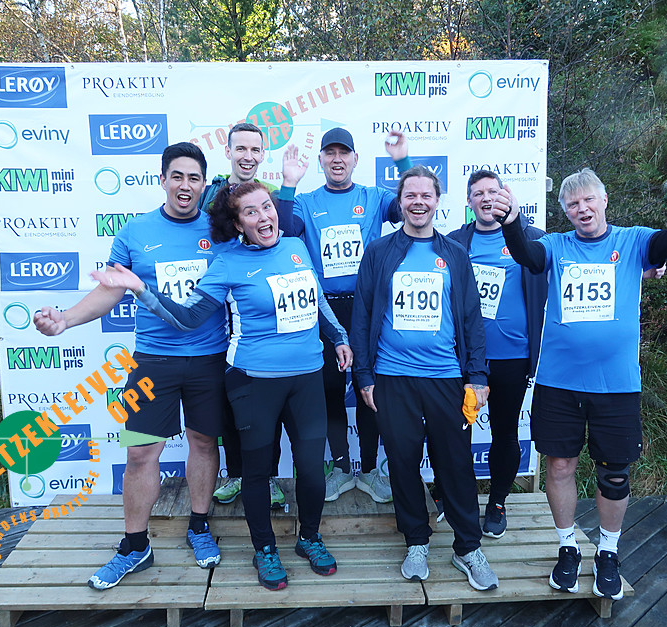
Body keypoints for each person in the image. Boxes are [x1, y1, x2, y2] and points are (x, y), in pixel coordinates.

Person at [93, 181, 351, 591]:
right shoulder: (227, 262)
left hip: (306, 379)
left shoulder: (296, 247)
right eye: (251, 212)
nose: (264, 216)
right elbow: (189, 318)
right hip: (254, 382)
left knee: (311, 469)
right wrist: (140, 288)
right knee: (257, 472)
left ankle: (309, 538)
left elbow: (317, 299)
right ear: (237, 224)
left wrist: (339, 337)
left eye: (267, 206)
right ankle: (264, 549)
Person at [494, 145, 667, 600]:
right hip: (558, 382)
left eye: (589, 199)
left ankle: (608, 552)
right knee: (560, 465)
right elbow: (527, 256)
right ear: (566, 212)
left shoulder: (632, 242)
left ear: (604, 200)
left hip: (616, 385)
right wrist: (512, 220)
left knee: (614, 473)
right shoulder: (556, 246)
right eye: (573, 204)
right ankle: (567, 546)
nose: (582, 209)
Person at [34, 142, 226, 589]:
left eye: (194, 178)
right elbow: (110, 289)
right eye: (177, 176)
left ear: (204, 184)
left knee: (203, 443)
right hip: (153, 361)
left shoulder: (219, 230)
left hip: (209, 359)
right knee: (140, 453)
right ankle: (135, 546)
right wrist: (66, 319)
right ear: (162, 180)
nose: (185, 185)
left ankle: (199, 526)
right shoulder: (135, 231)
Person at [350, 165, 499, 591]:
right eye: (410, 195)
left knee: (455, 464)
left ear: (437, 201)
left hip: (446, 377)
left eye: (426, 195)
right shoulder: (379, 252)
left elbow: (471, 319)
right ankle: (416, 540)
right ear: (400, 202)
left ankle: (468, 547)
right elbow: (362, 315)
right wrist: (364, 375)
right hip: (391, 376)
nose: (418, 202)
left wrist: (477, 375)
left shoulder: (455, 253)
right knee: (402, 462)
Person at [279, 127, 412, 504]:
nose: (337, 159)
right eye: (330, 153)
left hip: (368, 306)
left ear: (355, 159)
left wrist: (402, 161)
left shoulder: (374, 196)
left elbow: (411, 205)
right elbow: (285, 231)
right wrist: (288, 184)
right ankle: (339, 468)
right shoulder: (306, 201)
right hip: (324, 309)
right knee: (329, 389)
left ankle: (368, 470)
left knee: (371, 387)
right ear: (320, 160)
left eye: (344, 153)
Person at [447, 171, 548, 539]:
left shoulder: (532, 238)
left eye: (493, 191)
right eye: (478, 193)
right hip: (463, 358)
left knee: (504, 432)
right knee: (454, 432)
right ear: (469, 202)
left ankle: (497, 503)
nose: (486, 198)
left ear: (505, 196)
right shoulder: (455, 241)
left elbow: (573, 262)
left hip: (512, 357)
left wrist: (646, 269)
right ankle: (455, 500)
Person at [199, 122, 285, 510]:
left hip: (259, 311)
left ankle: (268, 477)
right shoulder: (209, 195)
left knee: (267, 401)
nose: (247, 156)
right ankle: (236, 474)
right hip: (217, 311)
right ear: (229, 152)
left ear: (263, 154)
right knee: (232, 401)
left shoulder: (270, 195)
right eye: (241, 149)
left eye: (255, 150)